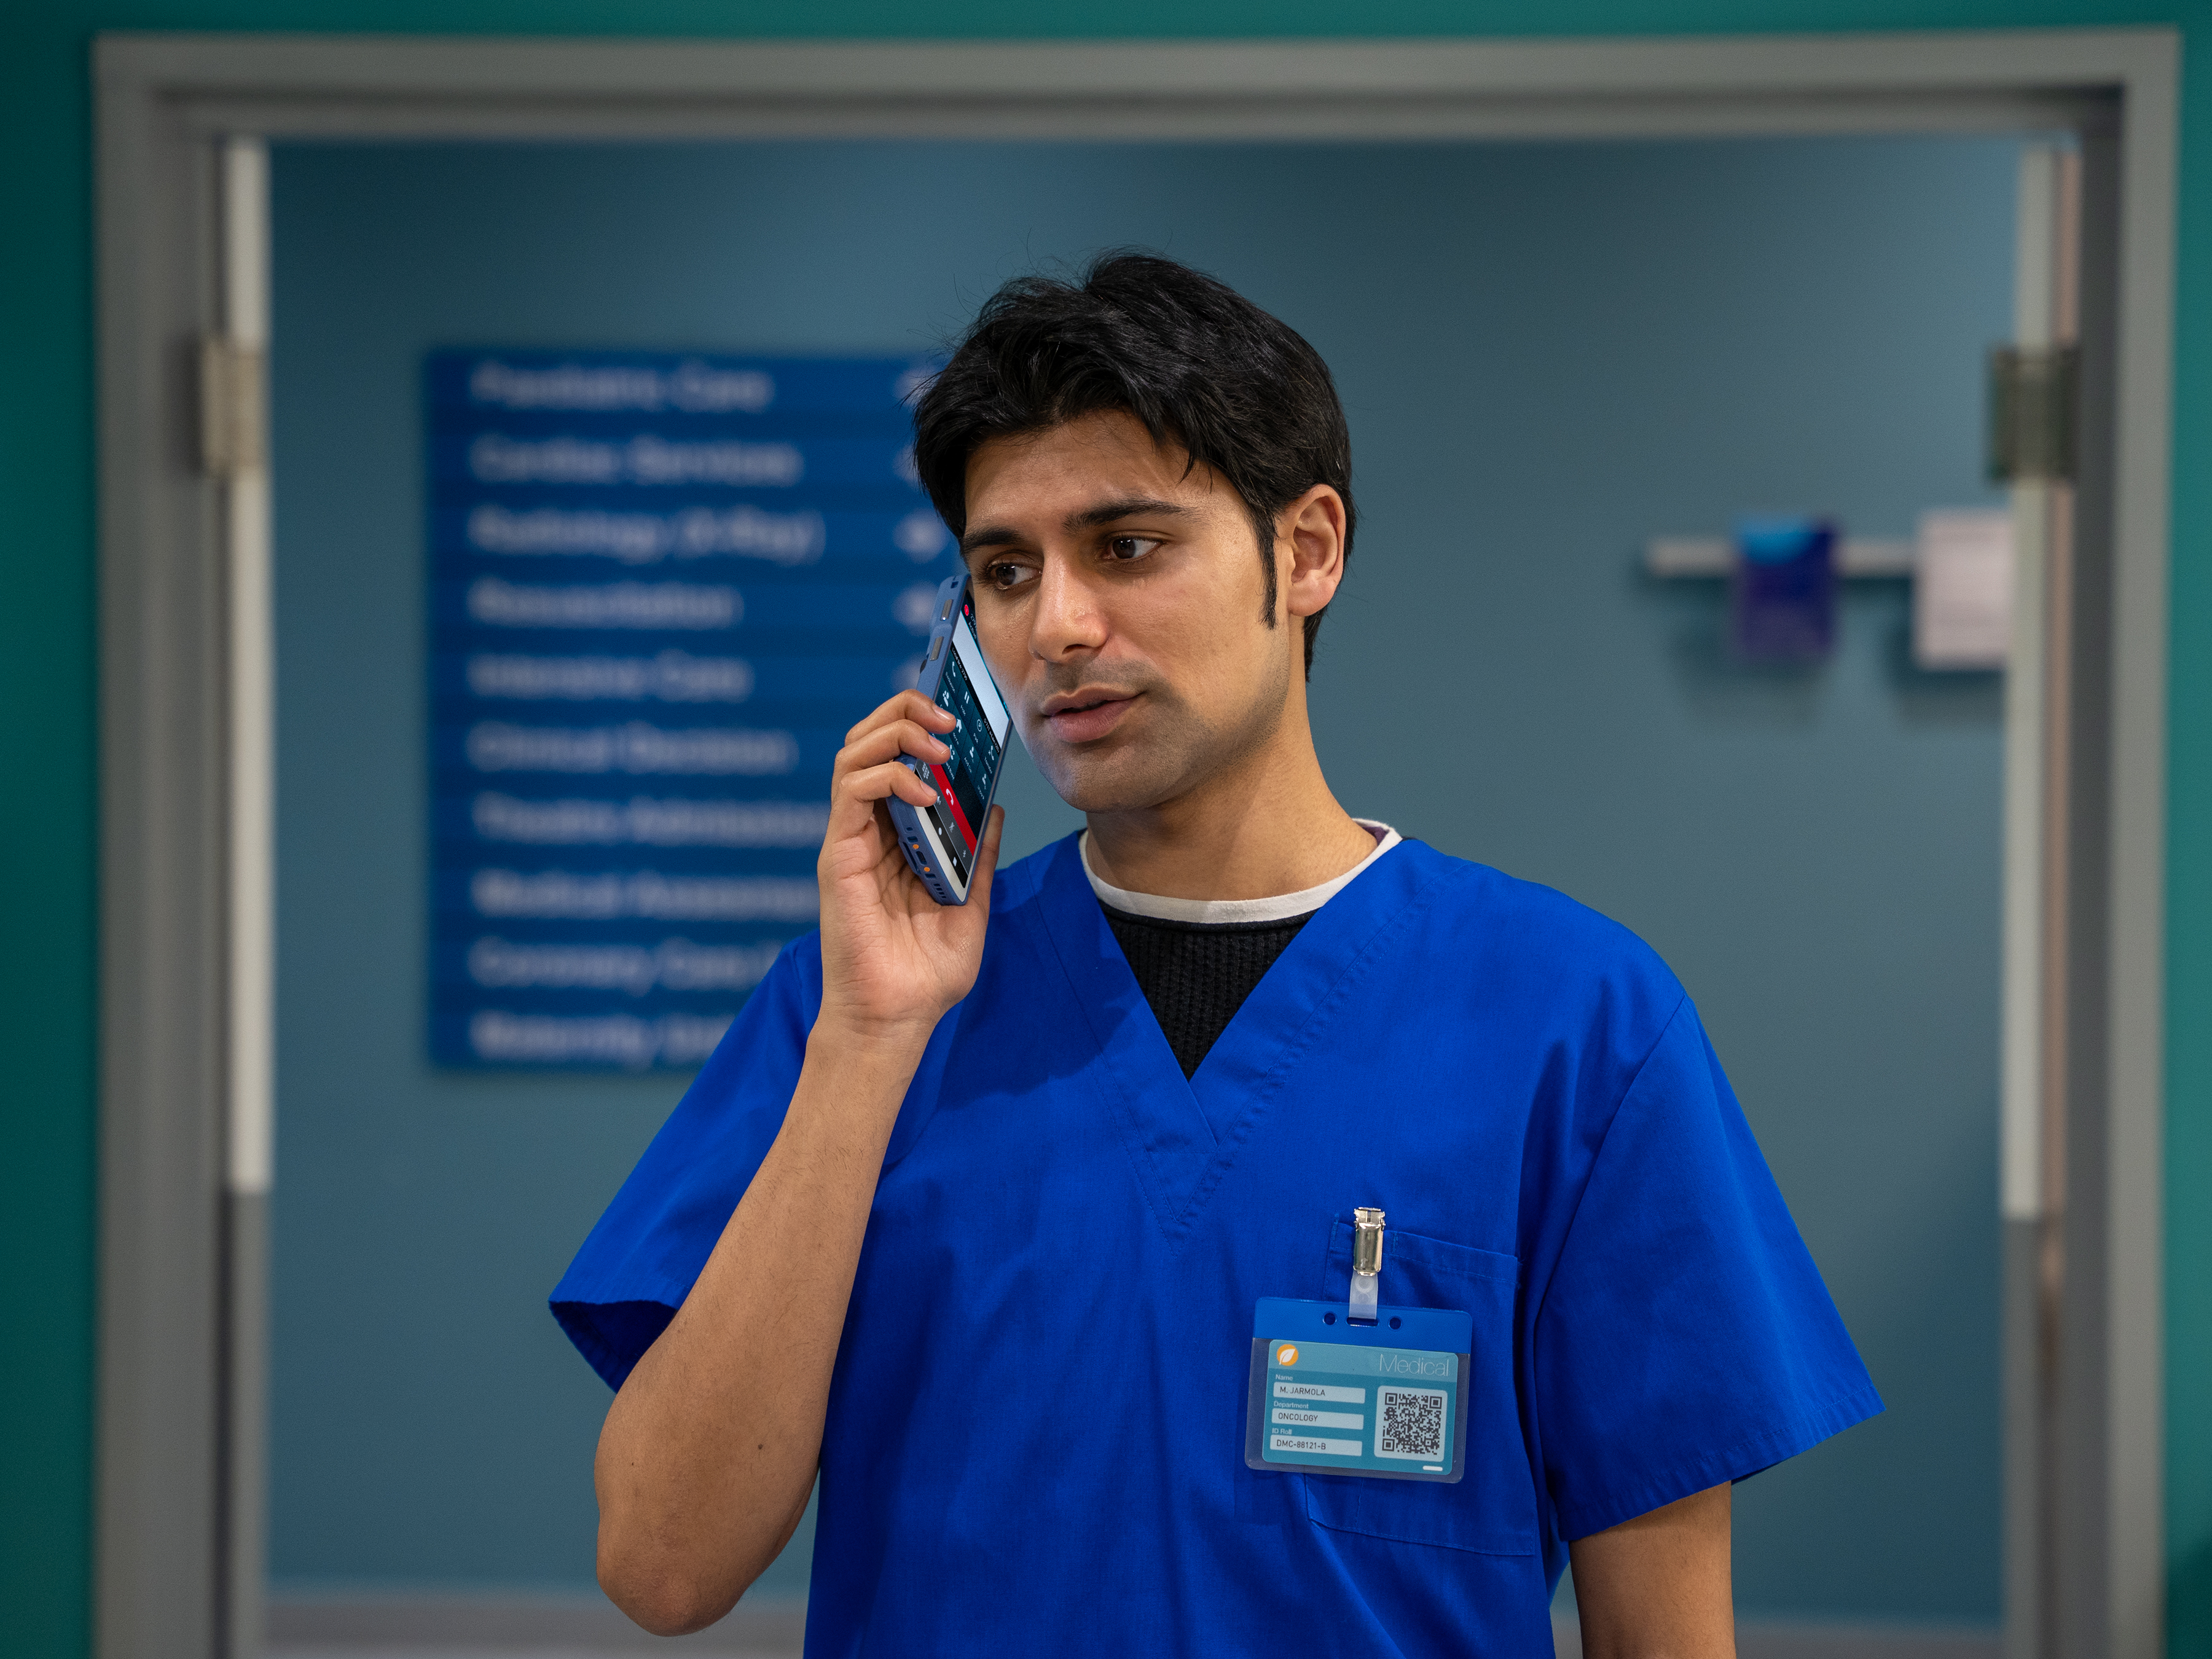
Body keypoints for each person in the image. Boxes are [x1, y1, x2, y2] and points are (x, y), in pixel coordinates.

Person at [552, 253, 1880, 1658]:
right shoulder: (858, 1009)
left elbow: (1661, 1629)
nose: (1057, 626)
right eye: (1006, 570)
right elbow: (661, 1564)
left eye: (1126, 546)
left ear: (1305, 553)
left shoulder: (1577, 1027)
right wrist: (870, 1043)